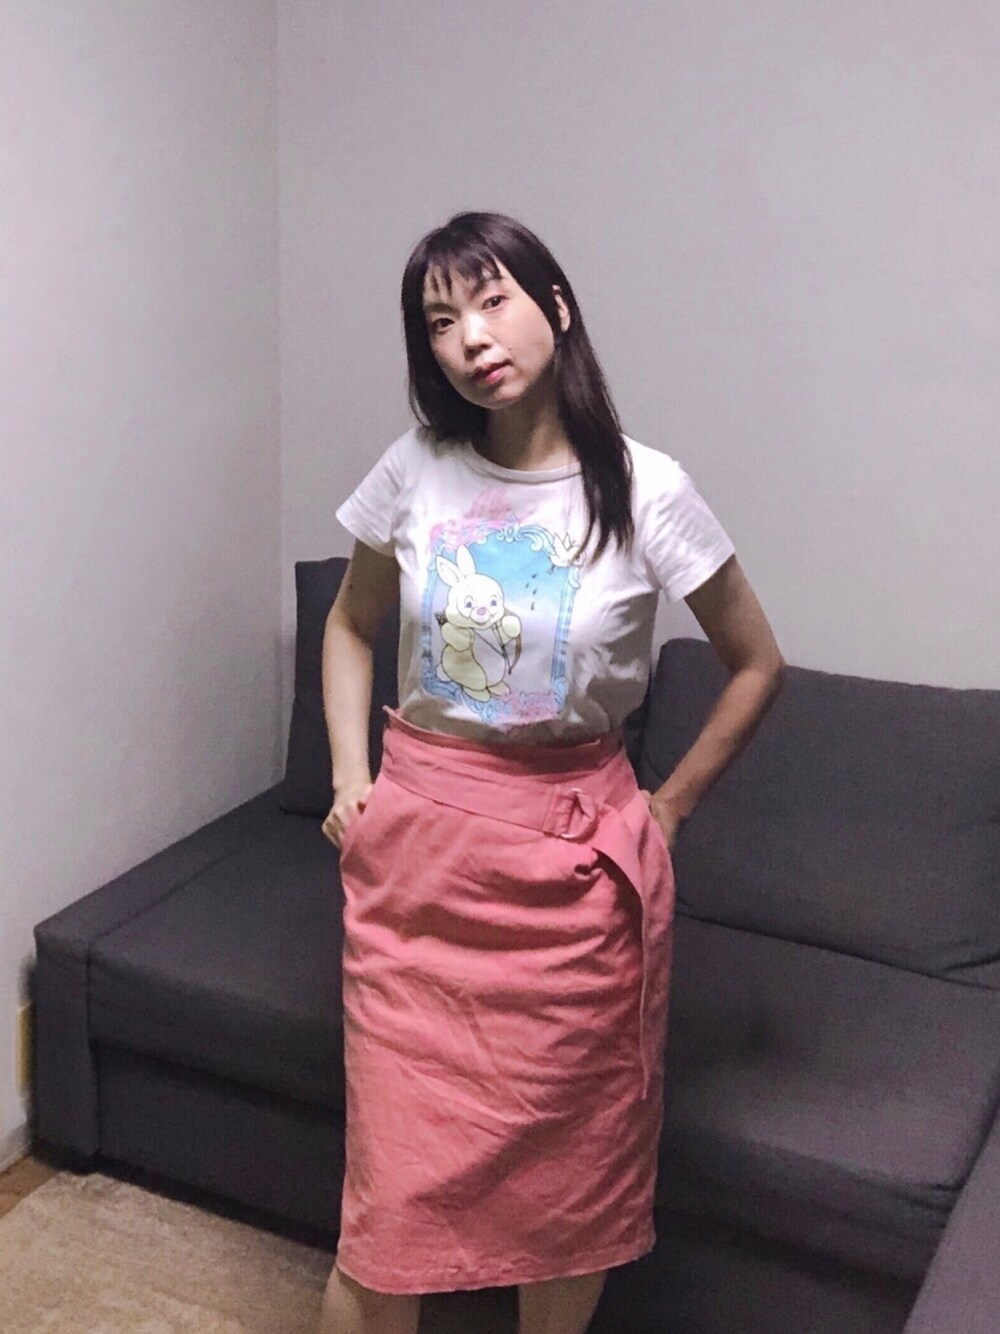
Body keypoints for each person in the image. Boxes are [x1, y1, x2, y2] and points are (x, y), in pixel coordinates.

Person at [318, 211, 784, 1334]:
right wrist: (348, 779)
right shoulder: (415, 469)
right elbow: (348, 624)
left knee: (565, 1206)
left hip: (573, 896)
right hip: (417, 875)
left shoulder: (646, 486)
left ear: (556, 307)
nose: (471, 337)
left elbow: (756, 662)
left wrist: (667, 807)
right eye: (441, 322)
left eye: (493, 300)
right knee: (384, 1220)